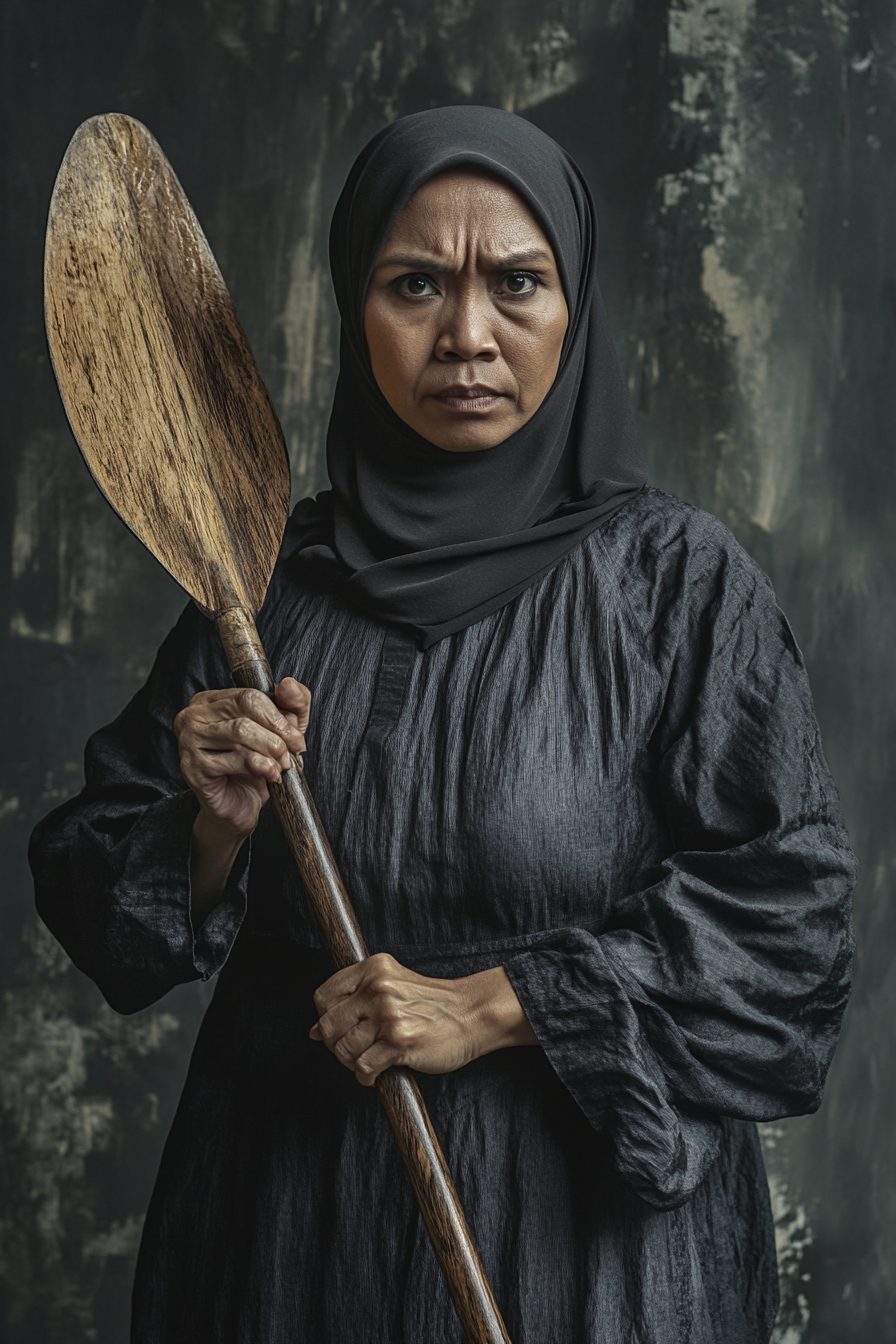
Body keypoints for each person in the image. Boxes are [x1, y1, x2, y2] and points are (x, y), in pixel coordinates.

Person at [30, 105, 855, 1343]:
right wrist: (211, 830)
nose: (466, 336)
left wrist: (502, 1001)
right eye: (413, 285)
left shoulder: (676, 586)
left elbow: (789, 931)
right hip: (286, 1240)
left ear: (573, 310)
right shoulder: (263, 591)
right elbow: (98, 908)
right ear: (357, 311)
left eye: (515, 285)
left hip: (588, 1258)